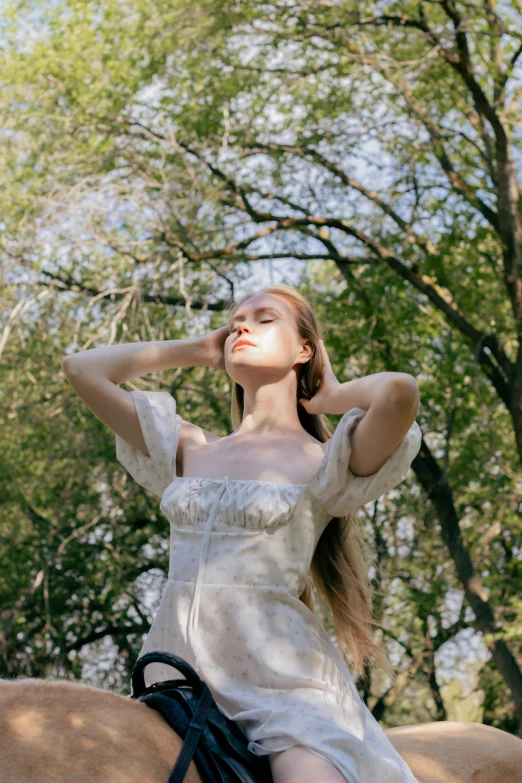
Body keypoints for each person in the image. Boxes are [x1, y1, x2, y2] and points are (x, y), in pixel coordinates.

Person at [62, 283, 422, 783]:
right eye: (236, 321)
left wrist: (333, 395)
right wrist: (196, 350)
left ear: (304, 350)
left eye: (264, 318)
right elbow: (81, 369)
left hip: (286, 694)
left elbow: (400, 392)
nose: (242, 326)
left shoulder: (326, 463)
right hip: (178, 679)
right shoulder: (188, 446)